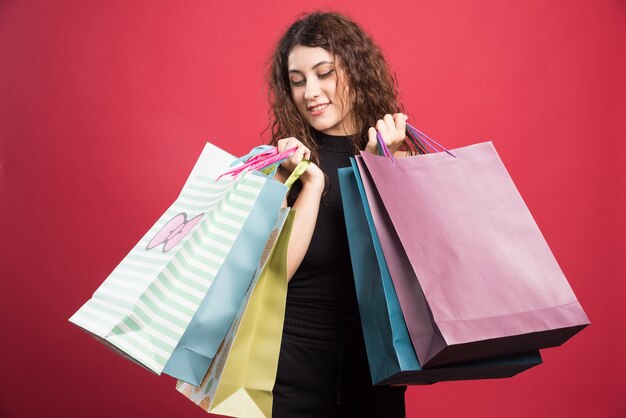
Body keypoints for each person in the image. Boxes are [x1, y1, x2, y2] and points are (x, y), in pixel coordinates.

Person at [267, 11, 414, 418]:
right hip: (292, 363)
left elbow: (402, 267)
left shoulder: (395, 148)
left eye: (324, 73)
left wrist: (377, 163)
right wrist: (308, 186)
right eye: (297, 81)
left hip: (377, 364)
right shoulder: (285, 159)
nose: (310, 92)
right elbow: (276, 271)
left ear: (354, 68)